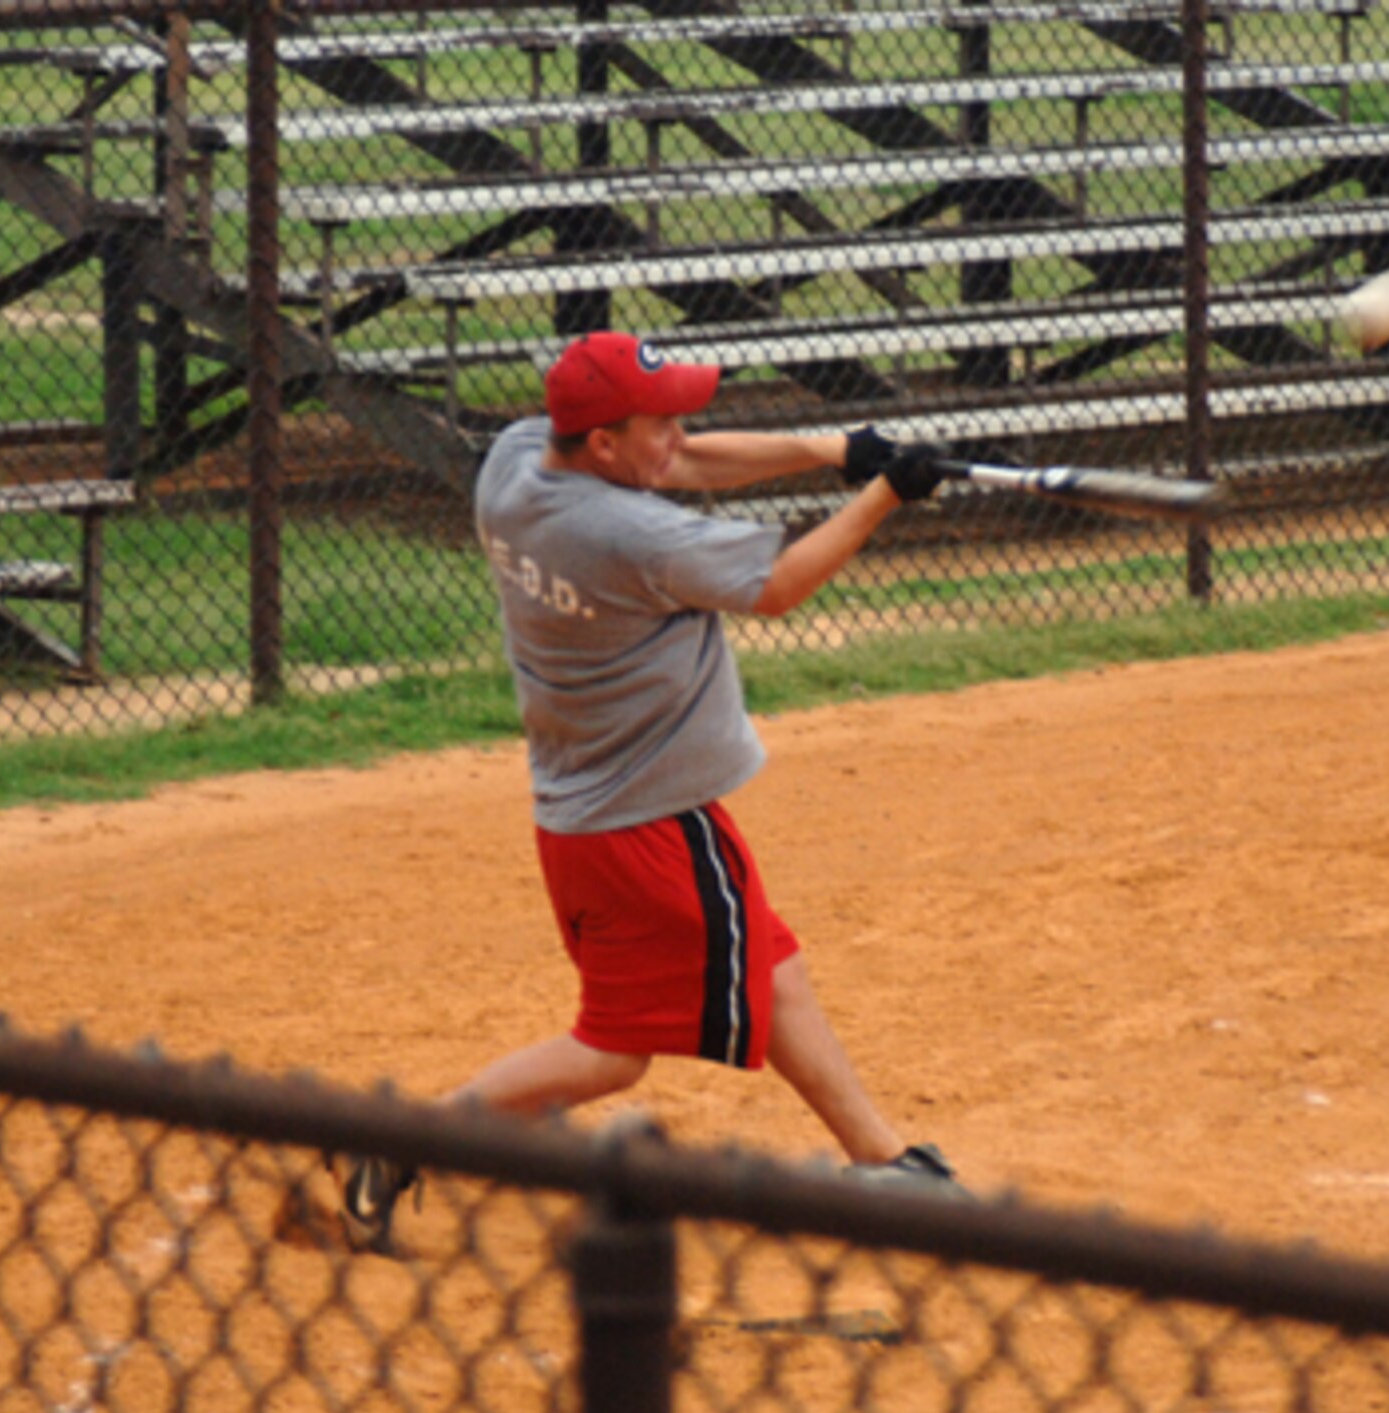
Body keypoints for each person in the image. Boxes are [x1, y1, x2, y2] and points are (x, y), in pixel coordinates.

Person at [339, 331, 961, 1249]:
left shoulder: (517, 463)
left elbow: (686, 460)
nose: (679, 434)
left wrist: (834, 450)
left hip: (594, 809)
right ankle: (401, 1143)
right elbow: (779, 584)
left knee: (771, 964)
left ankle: (882, 1163)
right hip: (647, 822)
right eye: (659, 421)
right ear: (602, 446)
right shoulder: (624, 534)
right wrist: (884, 496)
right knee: (613, 1051)